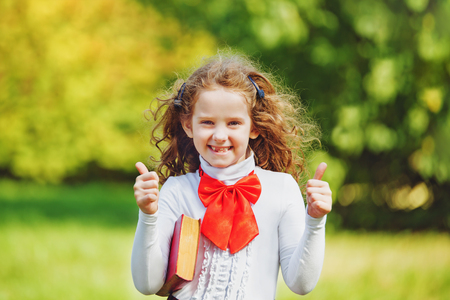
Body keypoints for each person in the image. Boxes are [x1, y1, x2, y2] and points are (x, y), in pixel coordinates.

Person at [131, 53, 332, 300]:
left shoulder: (282, 190)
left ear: (255, 126)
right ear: (188, 125)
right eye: (207, 122)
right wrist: (148, 215)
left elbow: (301, 284)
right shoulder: (176, 191)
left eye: (234, 123)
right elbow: (147, 284)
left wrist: (315, 220)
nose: (219, 135)